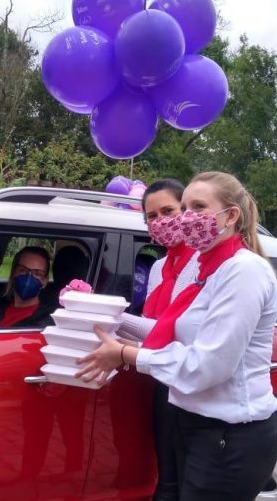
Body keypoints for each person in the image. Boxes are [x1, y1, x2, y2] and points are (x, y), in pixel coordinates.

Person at [77, 171, 277, 501]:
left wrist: (128, 354)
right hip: (197, 424)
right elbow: (170, 333)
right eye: (184, 207)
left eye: (198, 206)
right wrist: (99, 312)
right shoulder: (208, 268)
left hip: (228, 434)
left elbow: (209, 365)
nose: (188, 217)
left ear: (231, 215)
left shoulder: (243, 271)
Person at [117, 178, 200, 501]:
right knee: (166, 473)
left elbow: (180, 330)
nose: (160, 221)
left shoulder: (203, 263)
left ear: (187, 210)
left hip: (193, 380)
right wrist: (103, 315)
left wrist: (119, 331)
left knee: (189, 477)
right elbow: (155, 327)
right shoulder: (160, 267)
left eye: (168, 211)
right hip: (161, 376)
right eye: (152, 217)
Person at [0, 246, 54, 327]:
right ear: (13, 273)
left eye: (37, 274)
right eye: (23, 270)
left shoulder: (47, 321)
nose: (28, 277)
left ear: (44, 281)